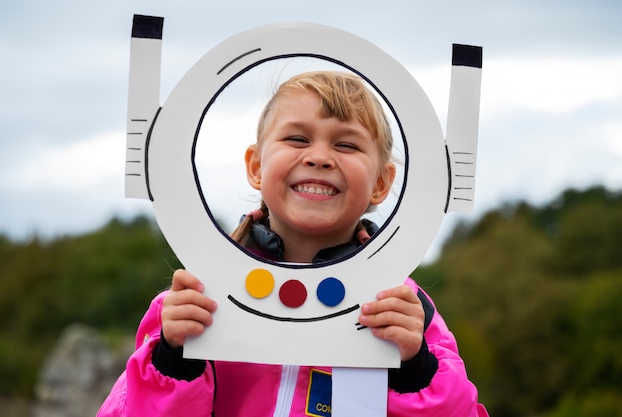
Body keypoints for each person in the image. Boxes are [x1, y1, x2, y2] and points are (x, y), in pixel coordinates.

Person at [98, 71, 489, 416]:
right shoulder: (196, 299)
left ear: (382, 183)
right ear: (255, 167)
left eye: (346, 145)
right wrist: (172, 361)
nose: (319, 157)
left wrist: (415, 368)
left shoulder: (402, 306)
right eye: (297, 138)